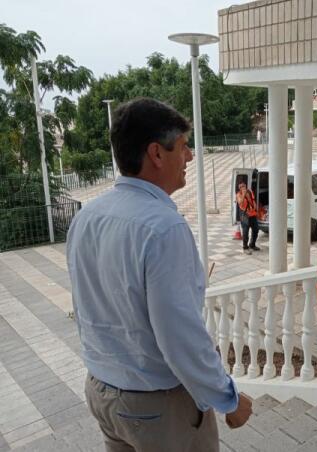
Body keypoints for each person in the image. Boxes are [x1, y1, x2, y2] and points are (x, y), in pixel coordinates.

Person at [66, 98, 252, 452]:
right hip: (157, 408)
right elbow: (179, 335)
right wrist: (227, 397)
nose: (190, 157)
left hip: (102, 392)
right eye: (183, 147)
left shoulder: (88, 217)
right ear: (156, 153)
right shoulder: (163, 228)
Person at [236, 180, 260, 254]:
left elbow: (253, 200)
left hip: (252, 213)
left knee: (256, 229)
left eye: (243, 186)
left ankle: (252, 244)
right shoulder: (238, 194)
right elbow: (240, 202)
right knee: (245, 231)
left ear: (246, 185)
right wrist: (243, 194)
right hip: (244, 214)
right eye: (241, 187)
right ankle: (245, 247)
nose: (242, 187)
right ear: (239, 188)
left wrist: (256, 208)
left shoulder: (250, 191)